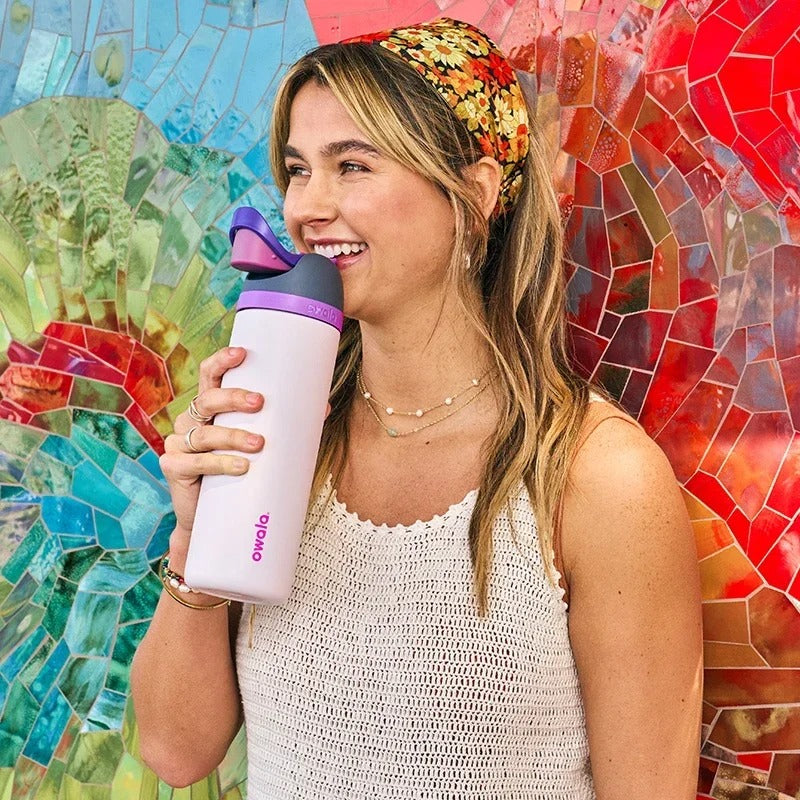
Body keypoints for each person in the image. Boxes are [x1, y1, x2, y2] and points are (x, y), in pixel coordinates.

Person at [131, 18, 702, 799]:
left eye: (353, 165)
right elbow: (174, 751)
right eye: (298, 170)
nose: (307, 207)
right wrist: (197, 538)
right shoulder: (284, 427)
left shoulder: (598, 476)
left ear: (473, 193)